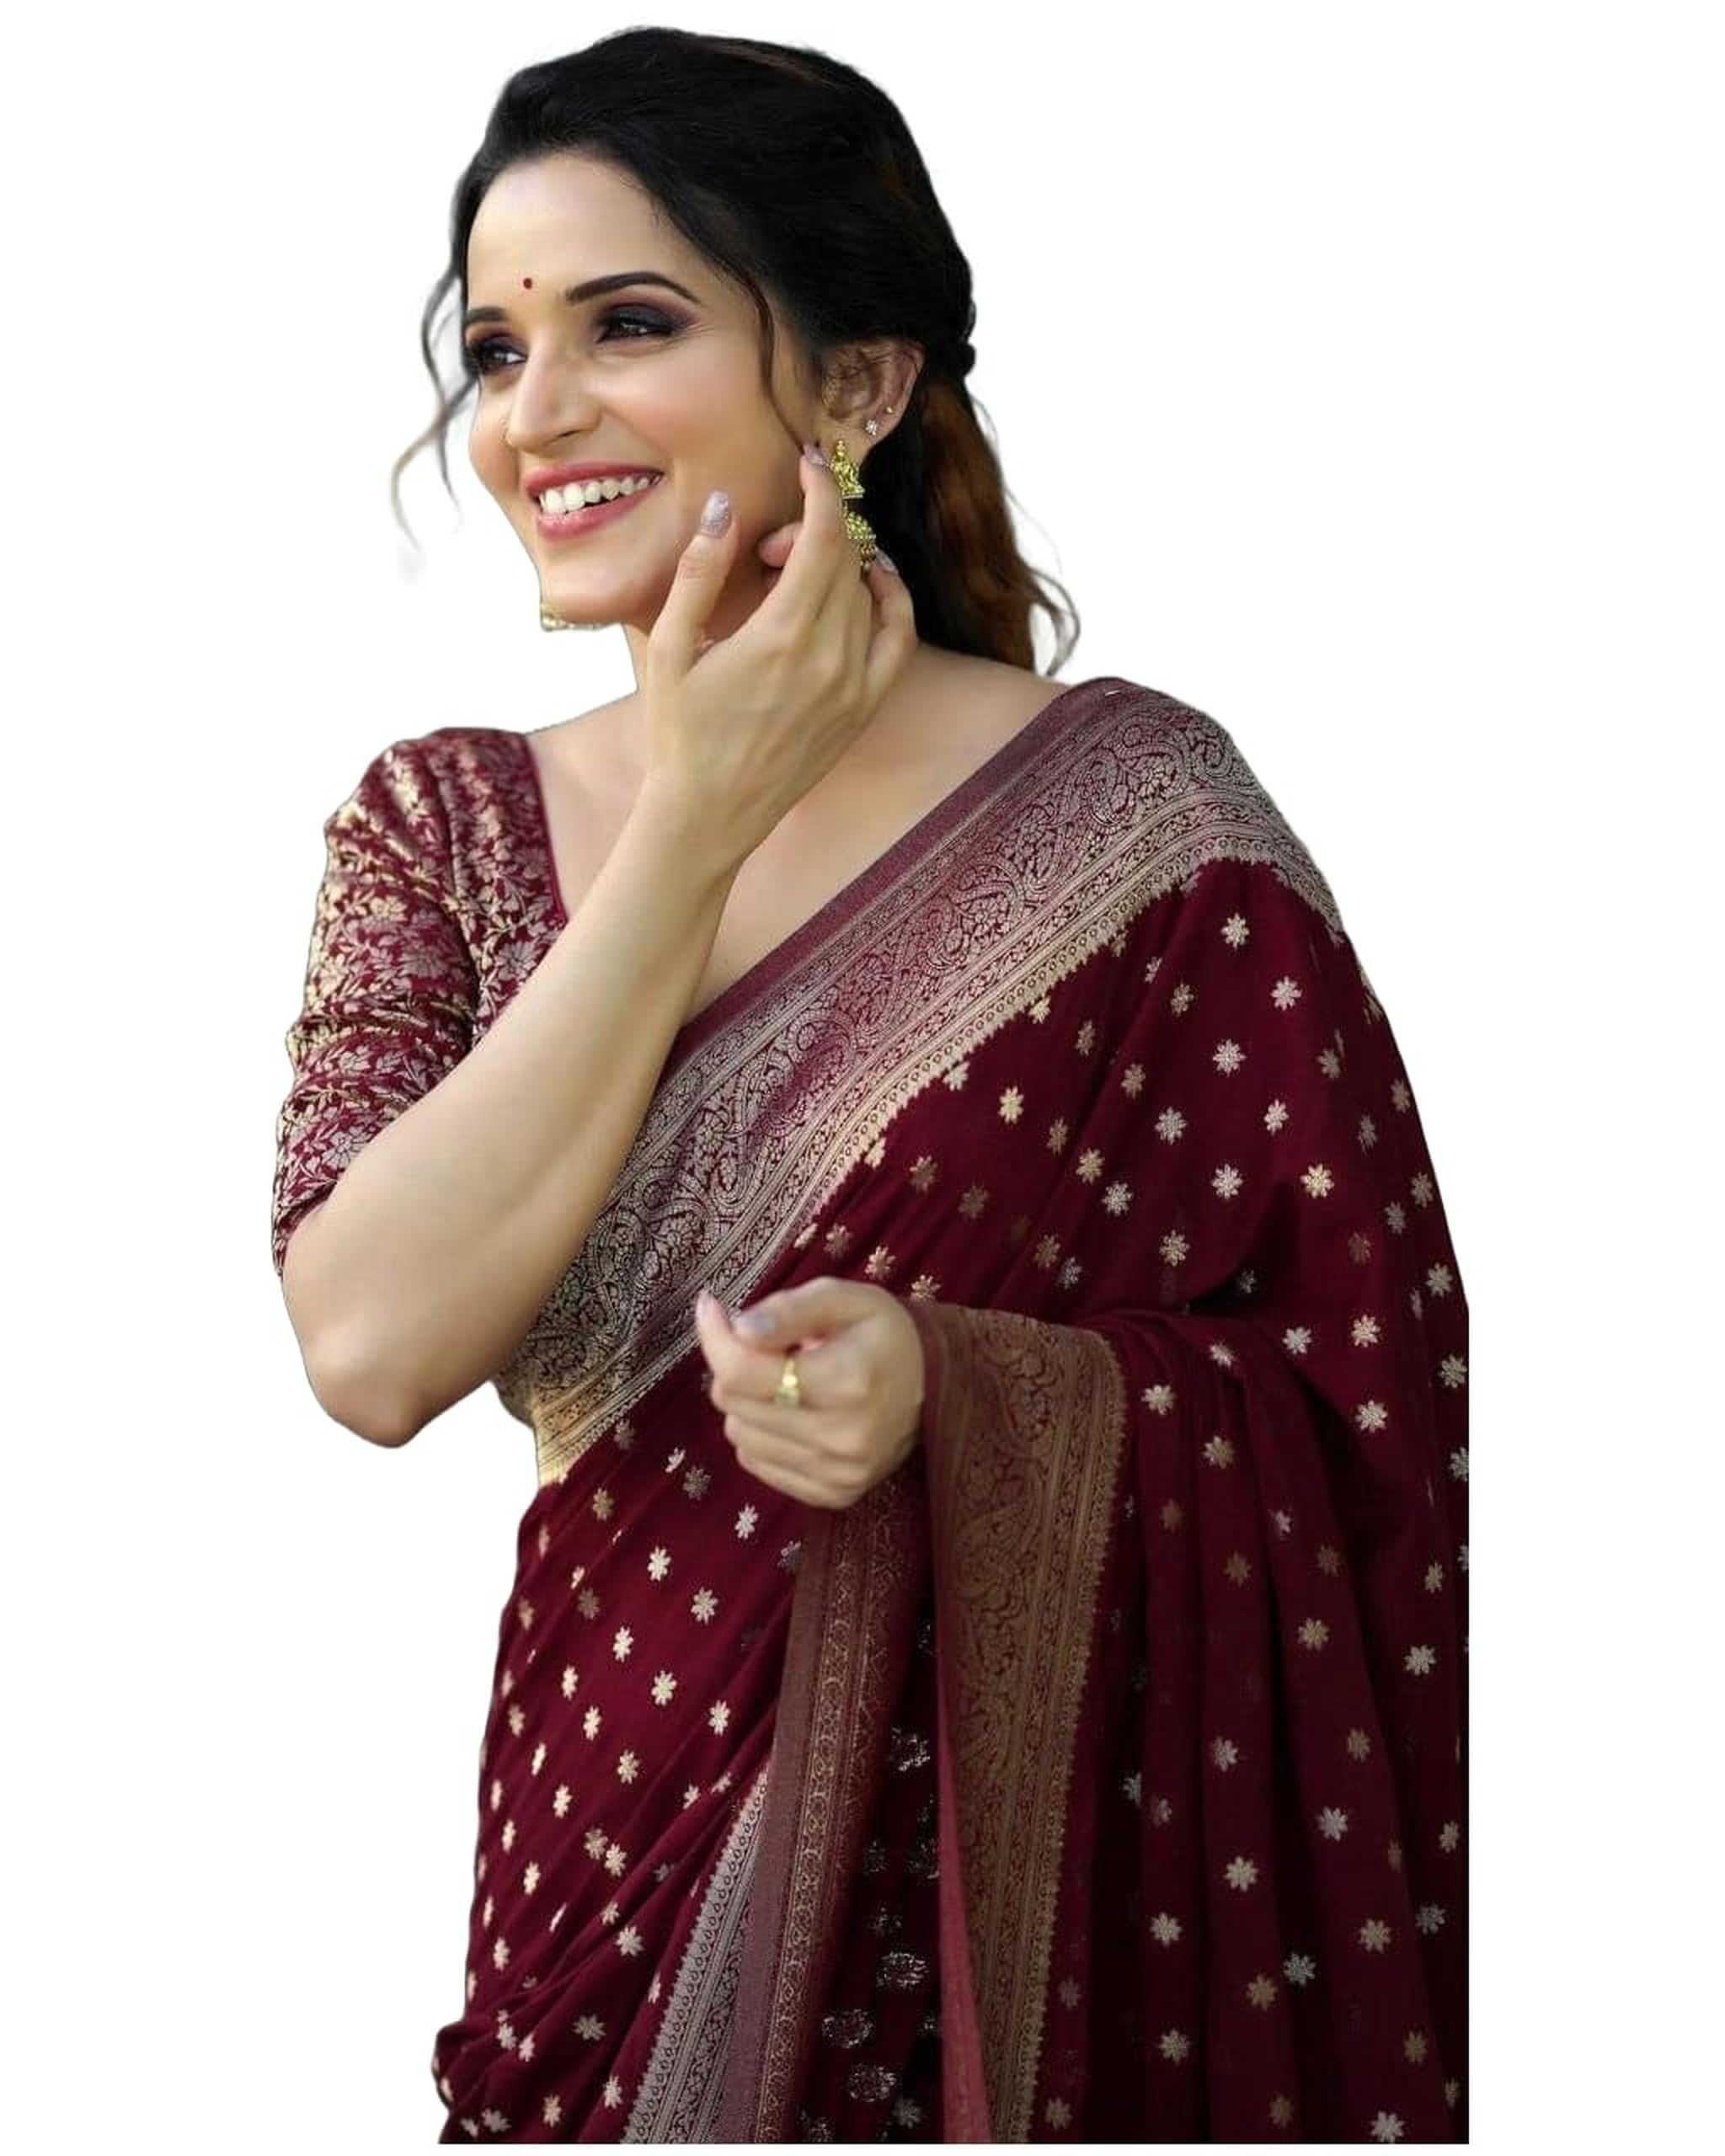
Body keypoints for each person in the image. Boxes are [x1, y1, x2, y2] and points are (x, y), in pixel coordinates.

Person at [269, 28, 1468, 2144]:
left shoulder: (1145, 825)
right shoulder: (435, 827)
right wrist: (694, 817)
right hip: (601, 1863)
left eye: (629, 324)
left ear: (858, 382)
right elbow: (368, 1345)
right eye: (497, 348)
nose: (533, 414)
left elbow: (1362, 1393)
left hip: (1014, 1939)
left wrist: (958, 1389)